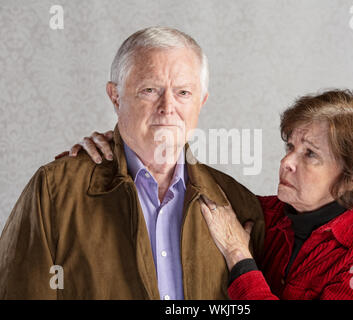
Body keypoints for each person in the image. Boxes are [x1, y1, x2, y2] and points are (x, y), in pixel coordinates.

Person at [0, 27, 265, 299]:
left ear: (202, 101)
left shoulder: (239, 204)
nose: (167, 107)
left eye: (183, 92)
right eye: (149, 90)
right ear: (115, 97)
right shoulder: (54, 192)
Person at [74, 89, 353, 299]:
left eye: (309, 154)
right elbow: (185, 176)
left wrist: (240, 257)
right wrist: (120, 148)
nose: (286, 163)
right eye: (290, 146)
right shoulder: (265, 213)